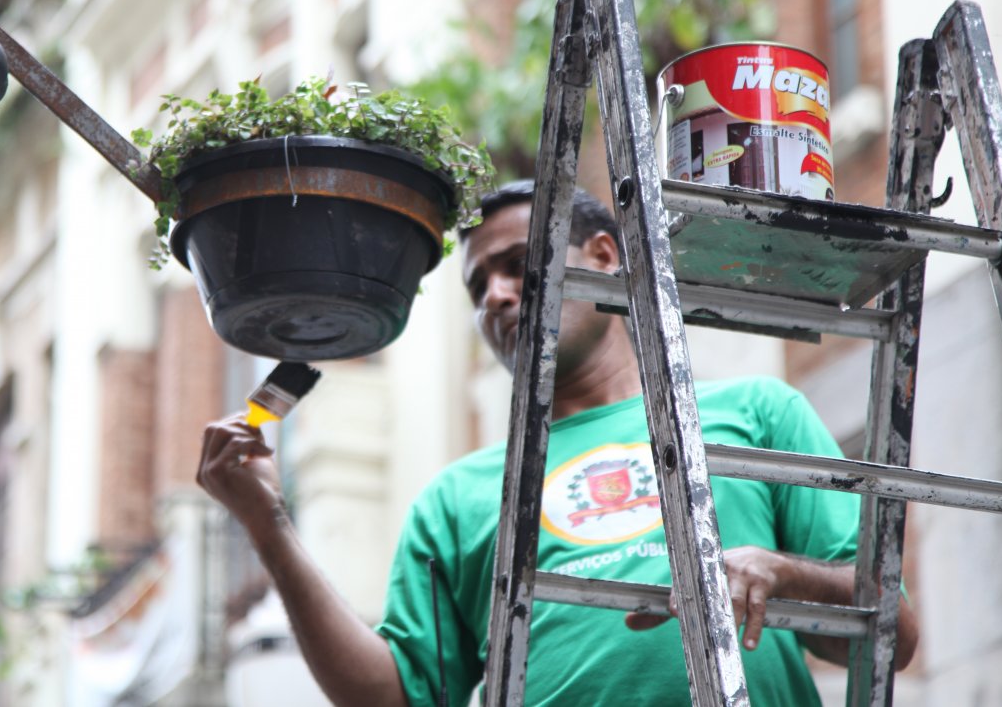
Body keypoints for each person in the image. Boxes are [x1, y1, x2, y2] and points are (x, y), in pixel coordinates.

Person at [196, 180, 919, 706]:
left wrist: (781, 575)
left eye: (516, 264)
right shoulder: (458, 497)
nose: (496, 297)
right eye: (479, 285)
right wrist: (269, 525)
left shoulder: (756, 411)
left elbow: (894, 629)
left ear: (604, 254)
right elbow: (393, 698)